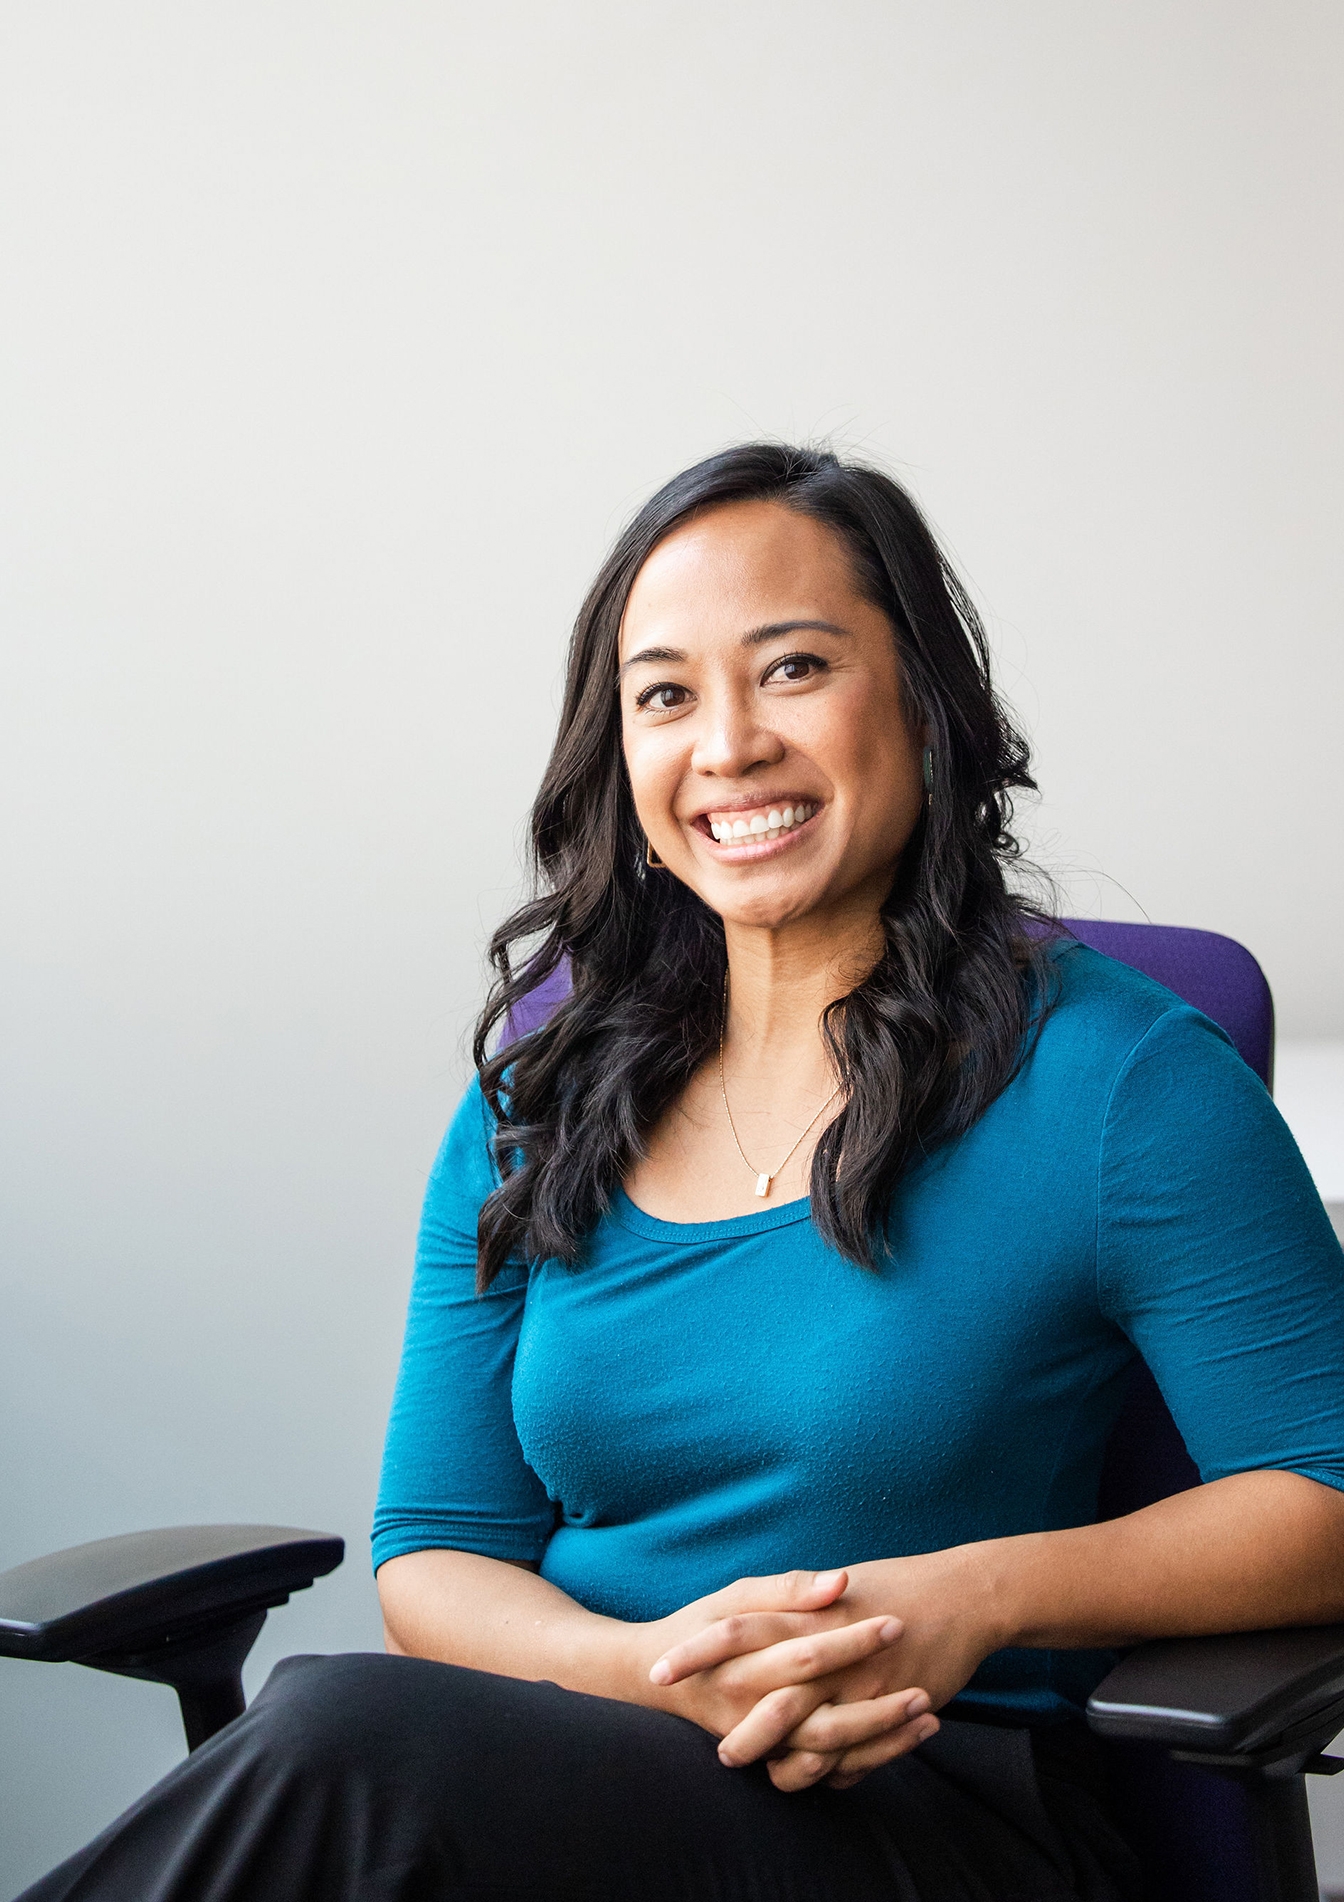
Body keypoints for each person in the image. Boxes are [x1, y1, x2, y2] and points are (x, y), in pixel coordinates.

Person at [23, 444, 1344, 1902]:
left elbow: (1330, 1491)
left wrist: (974, 1593)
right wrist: (650, 1674)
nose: (727, 744)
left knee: (343, 1739)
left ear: (923, 700)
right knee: (360, 1742)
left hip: (931, 1814)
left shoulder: (1118, 1079)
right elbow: (439, 1550)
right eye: (665, 693)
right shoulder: (547, 1093)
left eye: (791, 669)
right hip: (573, 1776)